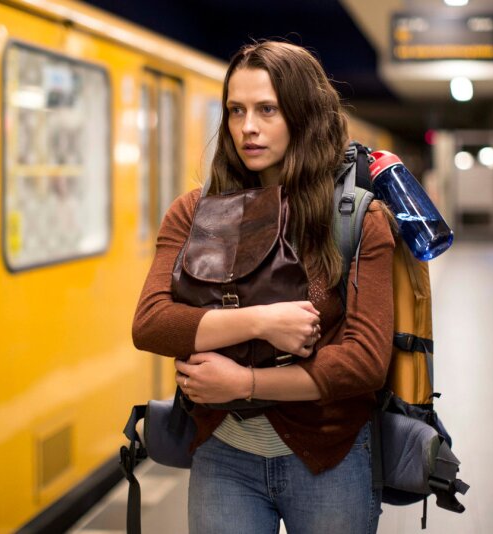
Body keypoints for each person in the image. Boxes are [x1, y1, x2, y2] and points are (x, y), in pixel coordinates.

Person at [132, 41, 393, 533]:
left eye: (267, 110)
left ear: (304, 114)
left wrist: (245, 384)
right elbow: (152, 324)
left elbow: (364, 362)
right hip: (224, 455)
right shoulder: (194, 212)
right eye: (236, 110)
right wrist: (260, 322)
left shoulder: (357, 217)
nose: (247, 127)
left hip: (331, 457)